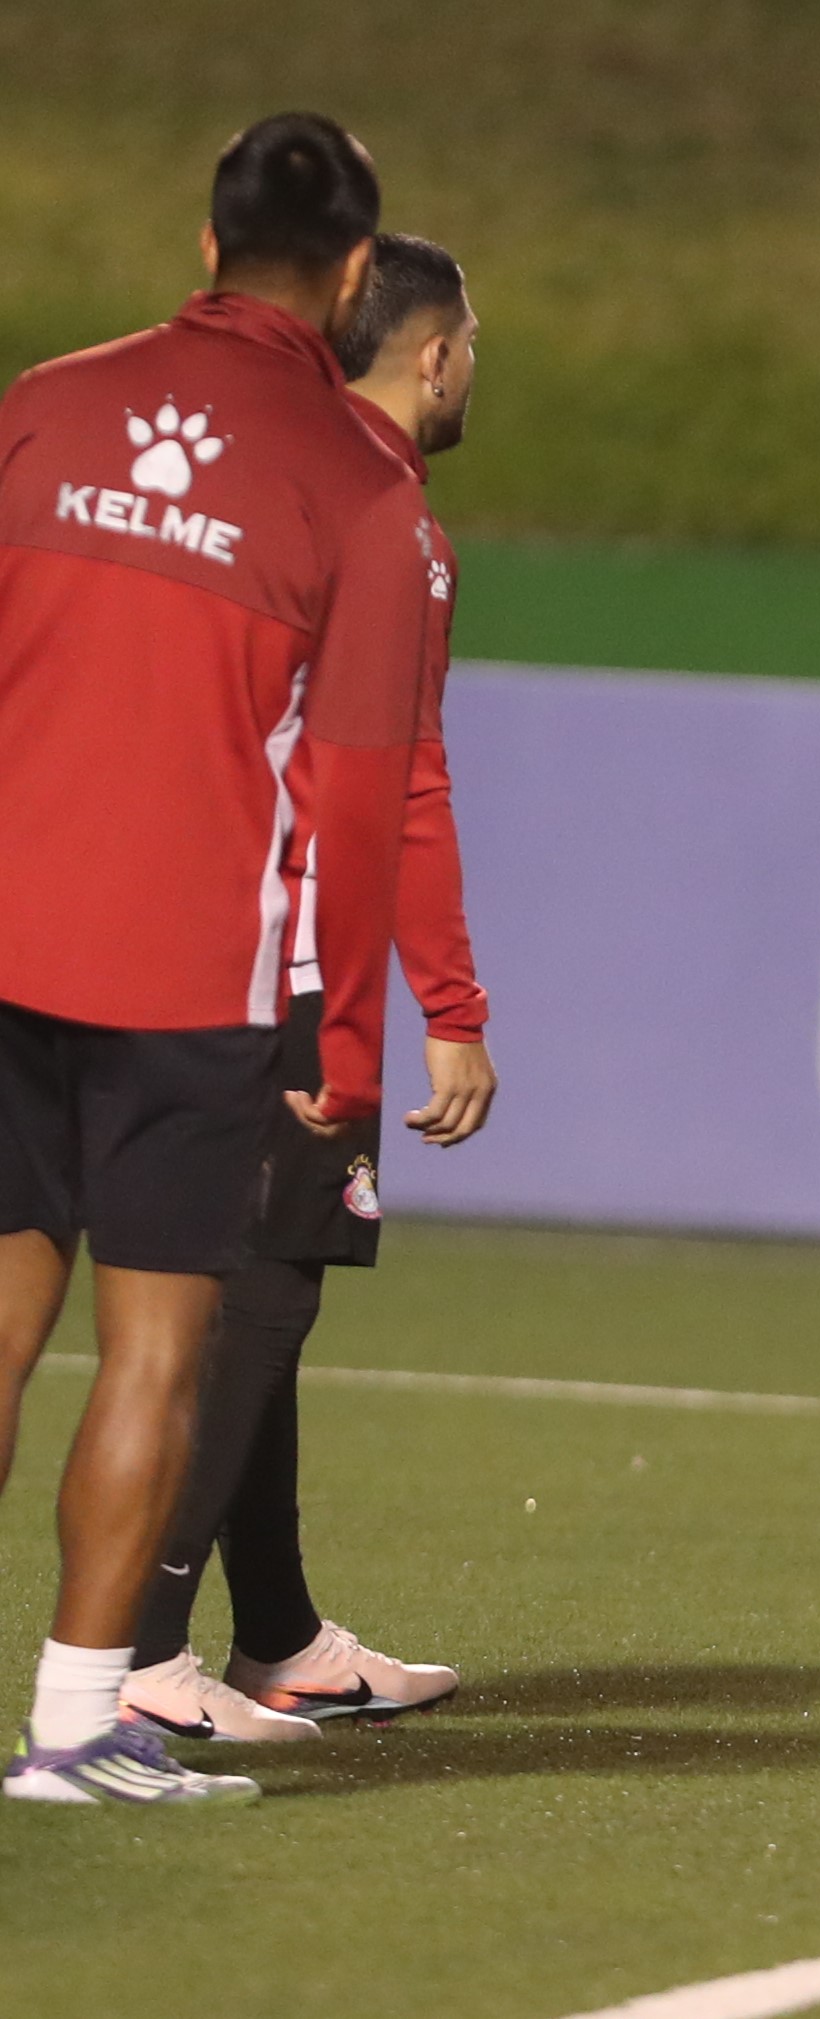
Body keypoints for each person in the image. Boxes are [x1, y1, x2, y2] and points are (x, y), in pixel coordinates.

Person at [0, 113, 432, 1806]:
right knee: (158, 1351)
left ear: (203, 245)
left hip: (10, 928)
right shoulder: (361, 485)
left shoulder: (41, 398)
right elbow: (363, 782)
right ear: (346, 279)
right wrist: (363, 1058)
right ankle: (73, 1723)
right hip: (186, 964)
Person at [117, 233, 495, 1746]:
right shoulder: (383, 518)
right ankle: (141, 1649)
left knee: (257, 1277)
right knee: (262, 1291)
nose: (476, 361)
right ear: (430, 354)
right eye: (473, 338)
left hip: (141, 927)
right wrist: (448, 1005)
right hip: (272, 956)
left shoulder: (238, 477)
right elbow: (396, 776)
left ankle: (274, 1632)